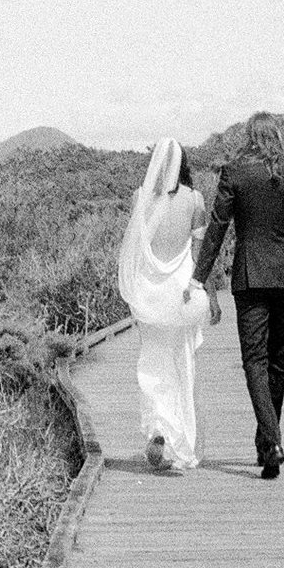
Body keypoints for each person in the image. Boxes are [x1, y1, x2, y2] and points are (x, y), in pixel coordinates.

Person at [192, 110, 284, 480]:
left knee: (255, 361)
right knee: (277, 359)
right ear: (277, 135)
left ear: (248, 136)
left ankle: (271, 441)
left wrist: (200, 275)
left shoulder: (234, 172)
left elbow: (218, 224)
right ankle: (267, 444)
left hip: (251, 273)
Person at [116, 136, 212, 472]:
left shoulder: (140, 197)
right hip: (181, 292)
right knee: (182, 364)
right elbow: (200, 253)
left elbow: (135, 246)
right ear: (183, 164)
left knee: (152, 360)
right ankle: (178, 438)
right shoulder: (195, 200)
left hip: (149, 293)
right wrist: (207, 292)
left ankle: (158, 427)